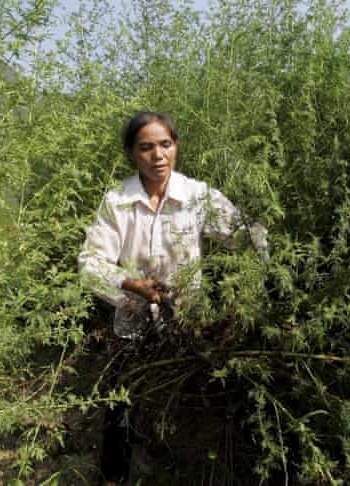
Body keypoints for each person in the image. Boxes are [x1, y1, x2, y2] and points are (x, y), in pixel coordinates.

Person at [78, 111, 267, 484]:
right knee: (121, 400)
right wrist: (131, 284)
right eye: (145, 147)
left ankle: (189, 467)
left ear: (176, 146)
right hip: (132, 319)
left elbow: (244, 235)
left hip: (188, 318)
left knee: (196, 396)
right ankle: (113, 476)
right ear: (132, 154)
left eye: (165, 144)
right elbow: (90, 263)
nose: (158, 155)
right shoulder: (117, 201)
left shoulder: (197, 196)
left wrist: (261, 264)